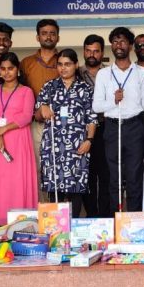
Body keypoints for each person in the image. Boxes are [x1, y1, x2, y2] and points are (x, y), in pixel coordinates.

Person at [92, 27, 144, 214]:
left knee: (134, 176)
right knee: (113, 177)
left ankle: (134, 219)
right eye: (115, 41)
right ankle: (113, 221)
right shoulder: (104, 74)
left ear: (131, 46)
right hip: (111, 127)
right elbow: (97, 107)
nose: (119, 45)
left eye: (123, 41)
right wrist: (113, 100)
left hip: (135, 127)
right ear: (111, 46)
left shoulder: (142, 73)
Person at [37, 49, 98, 216]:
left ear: (76, 65)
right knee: (54, 188)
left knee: (75, 188)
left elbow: (91, 118)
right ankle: (55, 228)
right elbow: (36, 115)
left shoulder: (85, 88)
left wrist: (89, 140)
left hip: (78, 145)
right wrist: (42, 108)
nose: (63, 68)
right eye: (60, 64)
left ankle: (73, 227)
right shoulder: (49, 87)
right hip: (53, 145)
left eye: (68, 64)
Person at [0, 52, 37, 225]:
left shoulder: (26, 91)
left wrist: (3, 129)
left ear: (18, 70)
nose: (7, 72)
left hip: (18, 141)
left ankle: (21, 220)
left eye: (11, 68)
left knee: (17, 180)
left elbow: (26, 116)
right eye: (3, 69)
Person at [22, 19, 61, 201]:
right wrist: (33, 113)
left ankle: (60, 211)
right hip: (35, 124)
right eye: (44, 33)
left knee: (60, 167)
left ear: (58, 37)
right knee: (37, 167)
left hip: (62, 126)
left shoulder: (64, 61)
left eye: (52, 33)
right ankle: (41, 211)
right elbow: (20, 94)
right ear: (38, 37)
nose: (48, 36)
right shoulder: (26, 63)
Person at [80, 34, 110, 217]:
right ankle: (91, 216)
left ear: (102, 53)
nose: (92, 54)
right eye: (88, 51)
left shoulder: (110, 74)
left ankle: (106, 217)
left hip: (107, 130)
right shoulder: (75, 73)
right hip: (83, 133)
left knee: (106, 176)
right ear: (84, 52)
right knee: (87, 176)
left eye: (96, 51)